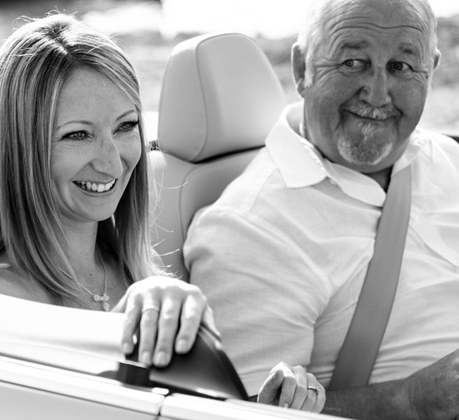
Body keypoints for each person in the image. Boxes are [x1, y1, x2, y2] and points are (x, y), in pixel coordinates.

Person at [0, 12, 324, 411]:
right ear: (21, 149)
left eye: (126, 127)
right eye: (78, 135)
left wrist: (266, 409)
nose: (112, 162)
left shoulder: (139, 273)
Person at [184, 0, 459, 418]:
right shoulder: (251, 229)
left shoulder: (443, 155)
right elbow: (249, 415)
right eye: (353, 62)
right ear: (302, 69)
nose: (378, 93)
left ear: (431, 71)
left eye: (401, 67)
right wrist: (414, 401)